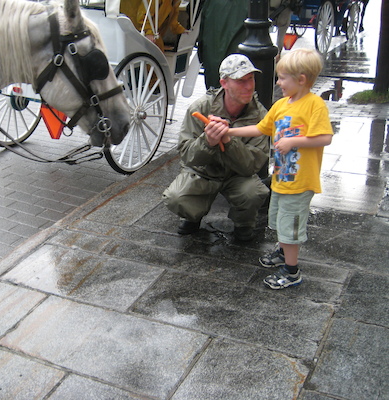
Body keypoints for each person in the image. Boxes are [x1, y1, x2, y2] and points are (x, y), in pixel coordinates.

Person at [207, 48, 333, 289]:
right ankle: (284, 254)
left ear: (301, 79)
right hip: (283, 179)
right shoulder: (281, 105)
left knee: (291, 226)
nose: (278, 82)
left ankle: (291, 271)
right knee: (279, 219)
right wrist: (228, 131)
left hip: (300, 181)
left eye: (283, 77)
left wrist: (293, 141)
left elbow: (325, 137)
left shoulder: (313, 105)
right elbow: (260, 128)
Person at [162, 54, 270, 242]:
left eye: (250, 79)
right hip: (203, 172)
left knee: (254, 192)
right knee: (176, 196)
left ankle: (243, 223)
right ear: (224, 83)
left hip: (237, 175)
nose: (248, 86)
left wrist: (229, 141)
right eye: (241, 81)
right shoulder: (201, 107)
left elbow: (252, 166)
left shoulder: (261, 115)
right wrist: (207, 142)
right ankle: (192, 215)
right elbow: (187, 156)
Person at [120, 0, 188, 52]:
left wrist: (179, 28)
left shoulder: (175, 1)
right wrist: (148, 32)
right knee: (157, 49)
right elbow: (144, 14)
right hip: (134, 27)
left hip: (150, 29)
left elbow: (173, 15)